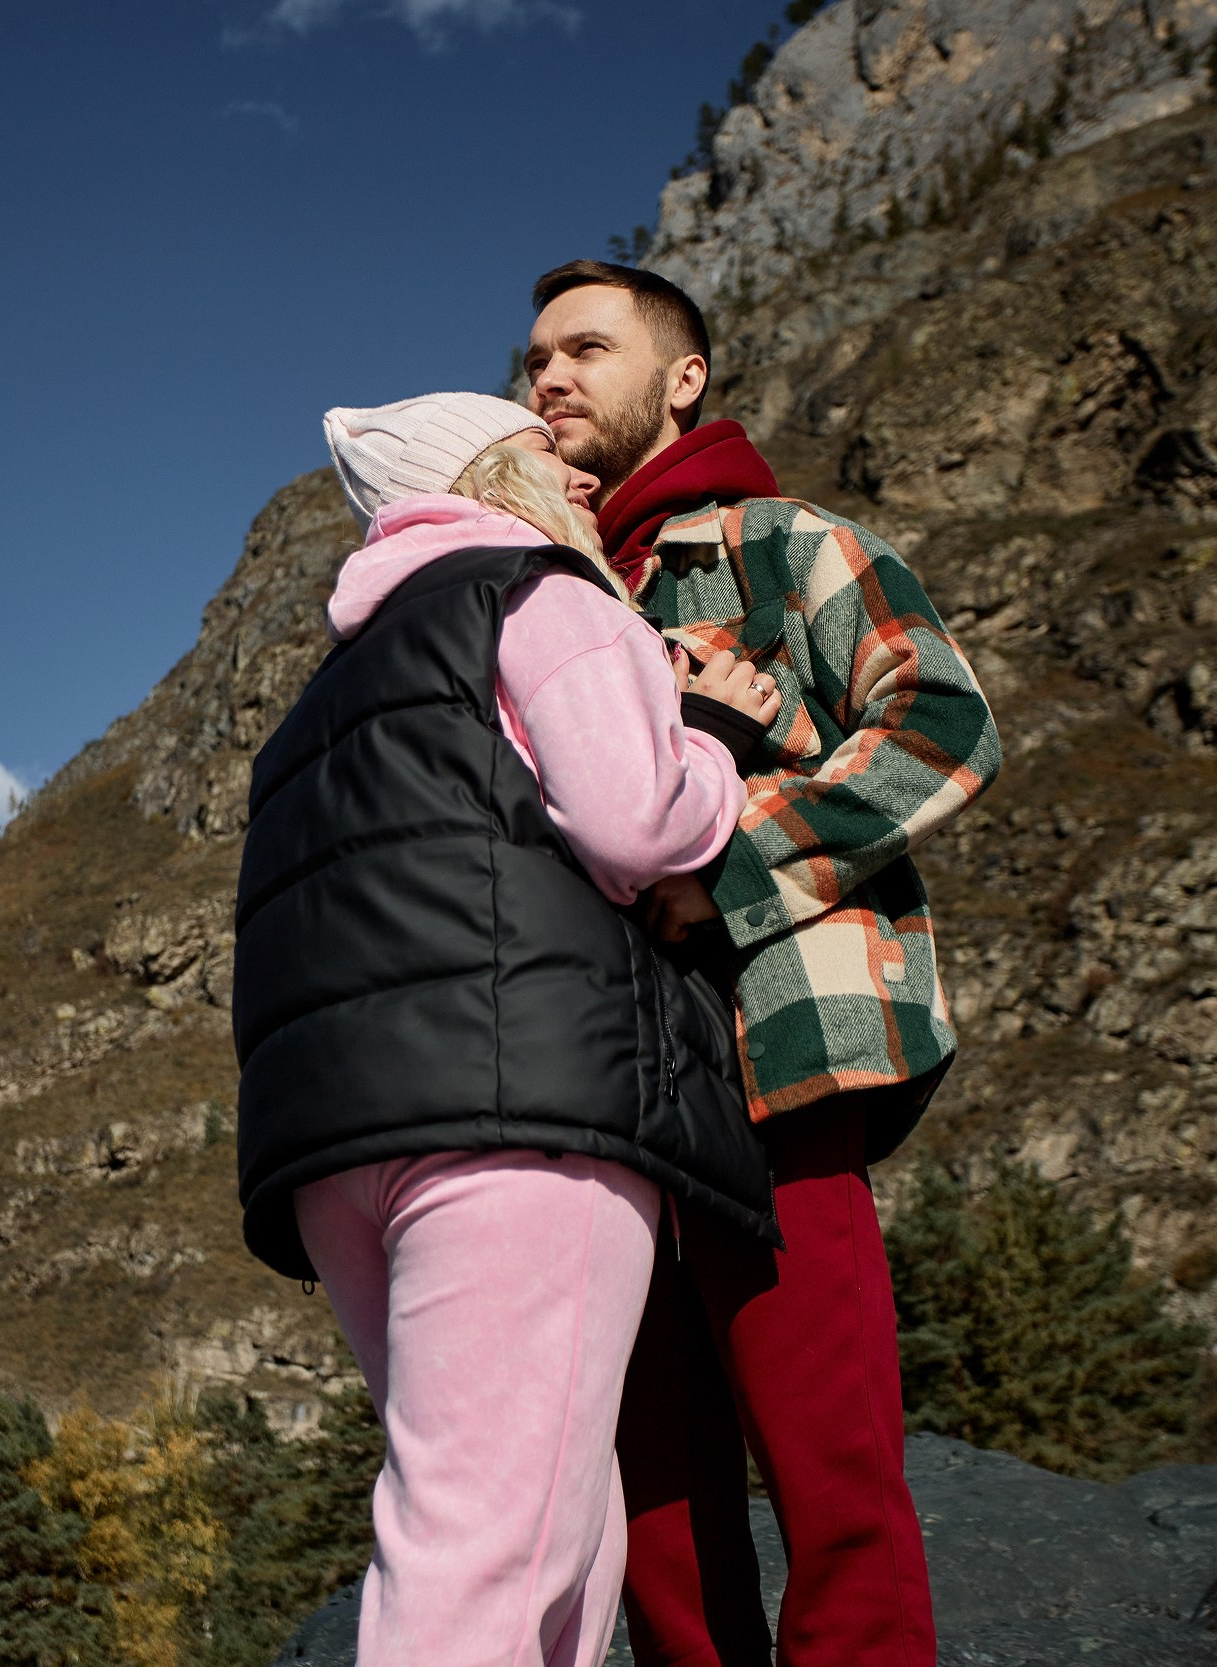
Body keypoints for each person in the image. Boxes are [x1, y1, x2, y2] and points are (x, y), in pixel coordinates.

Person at [231, 391, 788, 1667]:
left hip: (338, 1151)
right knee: (501, 1538)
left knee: (543, 1521)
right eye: (548, 455)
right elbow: (634, 824)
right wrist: (715, 738)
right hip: (520, 1118)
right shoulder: (541, 595)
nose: (582, 476)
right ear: (490, 474)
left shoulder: (325, 697)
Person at [524, 260, 1003, 1667]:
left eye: (586, 348)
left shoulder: (791, 545)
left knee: (828, 1462)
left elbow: (944, 725)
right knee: (655, 1495)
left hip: (782, 1047)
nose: (547, 375)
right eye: (534, 356)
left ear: (683, 379)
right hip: (605, 1092)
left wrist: (727, 867)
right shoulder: (547, 600)